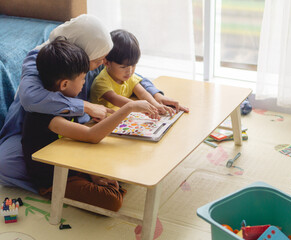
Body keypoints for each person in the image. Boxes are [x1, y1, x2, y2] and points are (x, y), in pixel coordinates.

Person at [0, 14, 189, 192]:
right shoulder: (39, 58)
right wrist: (86, 107)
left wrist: (155, 94)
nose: (102, 63)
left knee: (115, 144)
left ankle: (79, 172)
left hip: (77, 124)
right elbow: (31, 97)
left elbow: (122, 72)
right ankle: (67, 179)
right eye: (99, 60)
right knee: (6, 165)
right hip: (34, 129)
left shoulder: (95, 54)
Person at [23, 37, 159, 211]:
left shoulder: (67, 101)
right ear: (65, 83)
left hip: (74, 161)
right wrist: (129, 107)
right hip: (56, 177)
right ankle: (59, 189)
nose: (84, 83)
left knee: (128, 157)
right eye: (82, 78)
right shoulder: (47, 116)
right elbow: (91, 136)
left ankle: (98, 175)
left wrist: (91, 172)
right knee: (112, 201)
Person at [91, 29, 177, 116]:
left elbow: (143, 93)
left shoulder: (129, 77)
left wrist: (156, 105)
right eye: (123, 67)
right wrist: (139, 106)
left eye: (133, 65)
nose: (130, 71)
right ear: (106, 63)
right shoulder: (101, 82)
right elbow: (114, 99)